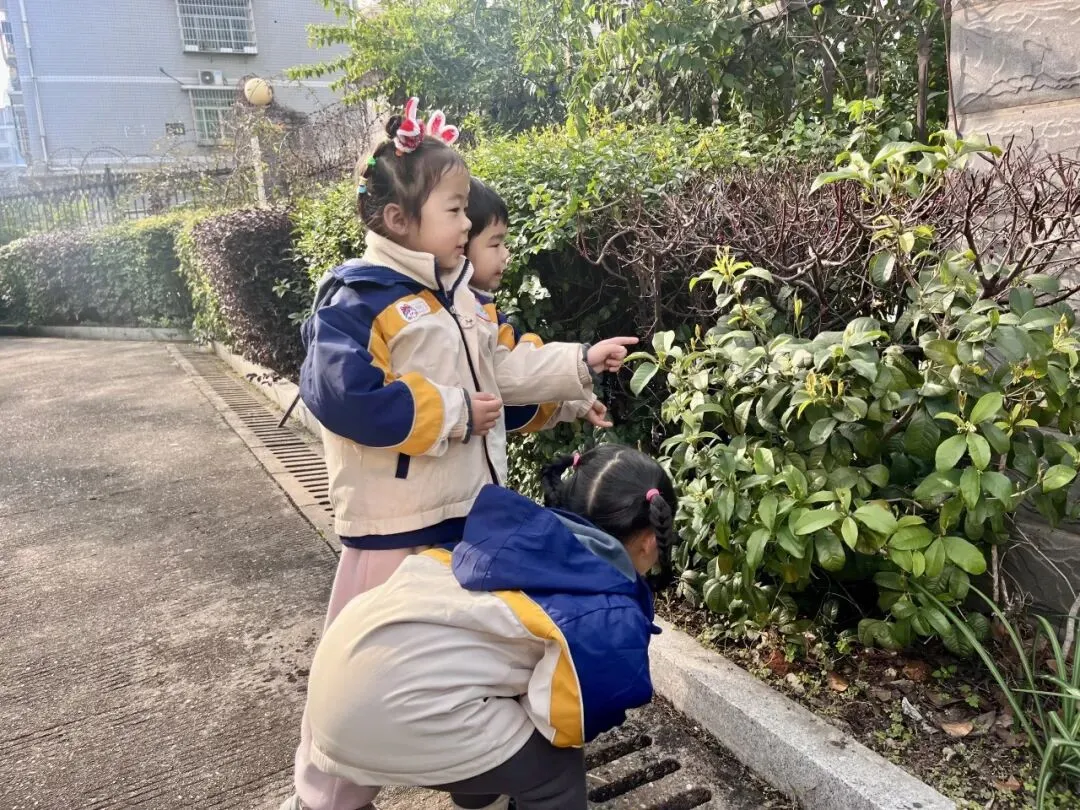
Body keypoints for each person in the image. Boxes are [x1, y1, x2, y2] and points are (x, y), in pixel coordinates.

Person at [282, 99, 638, 810]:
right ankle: (320, 802)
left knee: (454, 667)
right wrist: (446, 413)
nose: (467, 227)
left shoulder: (455, 300)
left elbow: (502, 376)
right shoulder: (361, 298)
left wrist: (578, 367)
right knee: (362, 673)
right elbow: (342, 395)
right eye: (454, 211)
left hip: (459, 521)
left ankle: (482, 778)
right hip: (394, 530)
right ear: (398, 220)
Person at [302, 444, 676, 810]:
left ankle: (480, 800)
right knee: (555, 770)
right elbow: (565, 723)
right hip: (381, 714)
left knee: (490, 677)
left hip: (331, 682)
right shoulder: (608, 612)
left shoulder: (504, 531)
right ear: (648, 542)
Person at [464, 177, 611, 434]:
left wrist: (574, 402)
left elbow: (520, 380)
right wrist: (583, 360)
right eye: (495, 244)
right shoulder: (459, 314)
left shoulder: (483, 311)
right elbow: (505, 377)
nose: (506, 253)